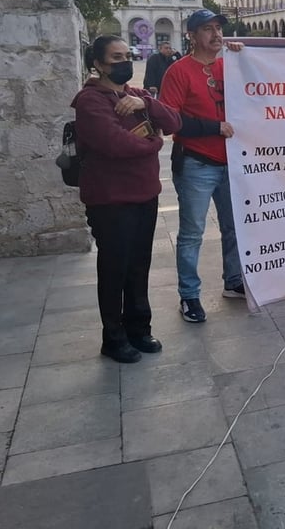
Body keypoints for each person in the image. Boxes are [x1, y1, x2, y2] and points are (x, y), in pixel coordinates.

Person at [71, 35, 182, 362]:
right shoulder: (90, 101)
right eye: (115, 58)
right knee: (114, 269)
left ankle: (139, 328)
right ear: (99, 64)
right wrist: (154, 144)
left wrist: (147, 104)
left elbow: (174, 122)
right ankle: (114, 337)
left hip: (144, 194)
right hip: (110, 200)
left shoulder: (136, 95)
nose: (123, 63)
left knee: (138, 265)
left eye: (126, 56)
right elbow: (115, 144)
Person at [159, 9, 246, 323]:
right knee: (192, 232)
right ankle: (189, 295)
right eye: (207, 29)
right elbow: (171, 120)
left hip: (232, 162)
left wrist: (244, 59)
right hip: (196, 162)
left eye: (218, 29)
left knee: (234, 226)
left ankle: (234, 280)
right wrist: (214, 127)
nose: (216, 35)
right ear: (192, 36)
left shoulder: (230, 65)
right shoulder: (179, 72)